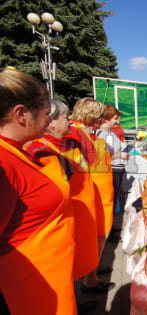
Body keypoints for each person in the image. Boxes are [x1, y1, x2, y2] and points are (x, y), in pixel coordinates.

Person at [0, 69, 77, 314]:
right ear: (21, 114)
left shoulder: (17, 151)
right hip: (26, 293)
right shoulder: (3, 164)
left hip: (47, 283)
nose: (49, 120)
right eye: (45, 113)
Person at [25, 100, 100, 312]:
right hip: (60, 225)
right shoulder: (38, 151)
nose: (69, 121)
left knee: (77, 266)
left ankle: (78, 300)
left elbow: (90, 162)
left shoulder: (70, 144)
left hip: (80, 213)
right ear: (51, 123)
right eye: (65, 117)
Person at [66, 97, 115, 294]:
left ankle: (91, 271)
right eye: (100, 115)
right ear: (92, 116)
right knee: (93, 239)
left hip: (101, 196)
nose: (102, 119)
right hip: (90, 199)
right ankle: (88, 280)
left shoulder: (88, 134)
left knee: (99, 238)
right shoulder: (74, 135)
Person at [96, 105, 130, 215]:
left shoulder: (110, 132)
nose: (118, 121)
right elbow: (102, 157)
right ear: (106, 119)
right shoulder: (102, 134)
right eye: (115, 118)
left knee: (114, 199)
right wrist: (120, 155)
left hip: (117, 170)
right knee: (111, 200)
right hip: (112, 171)